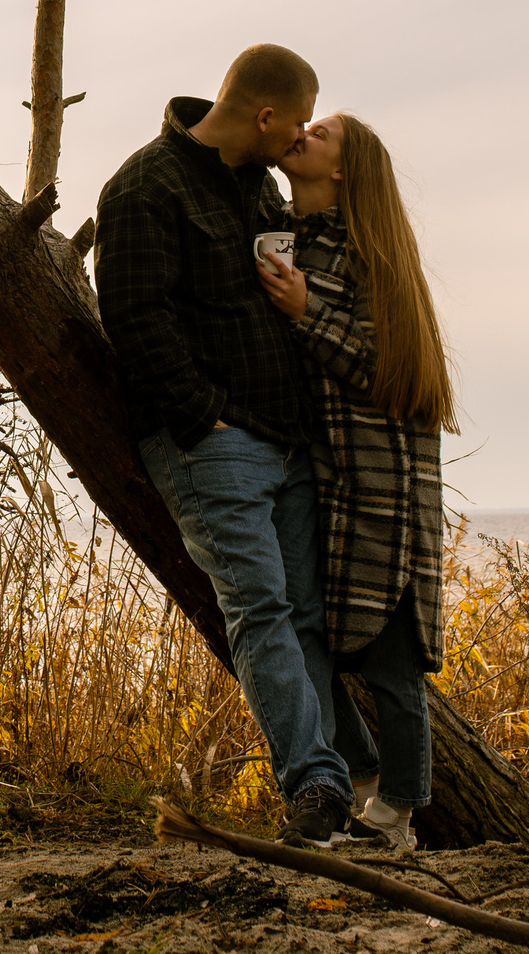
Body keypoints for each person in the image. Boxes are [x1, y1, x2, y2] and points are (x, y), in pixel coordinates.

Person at [95, 44, 358, 843]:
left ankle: (350, 778)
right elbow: (136, 317)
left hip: (287, 441)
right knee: (262, 610)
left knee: (307, 615)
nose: (301, 138)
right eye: (299, 122)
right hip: (215, 445)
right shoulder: (144, 187)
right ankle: (315, 786)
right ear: (267, 113)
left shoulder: (264, 190)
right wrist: (203, 415)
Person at [257, 113, 457, 850]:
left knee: (393, 666)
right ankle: (364, 776)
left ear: (343, 171)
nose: (303, 134)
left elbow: (388, 371)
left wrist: (309, 313)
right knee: (314, 642)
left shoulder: (373, 259)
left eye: (321, 134)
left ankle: (399, 814)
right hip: (323, 483)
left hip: (387, 489)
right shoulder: (279, 236)